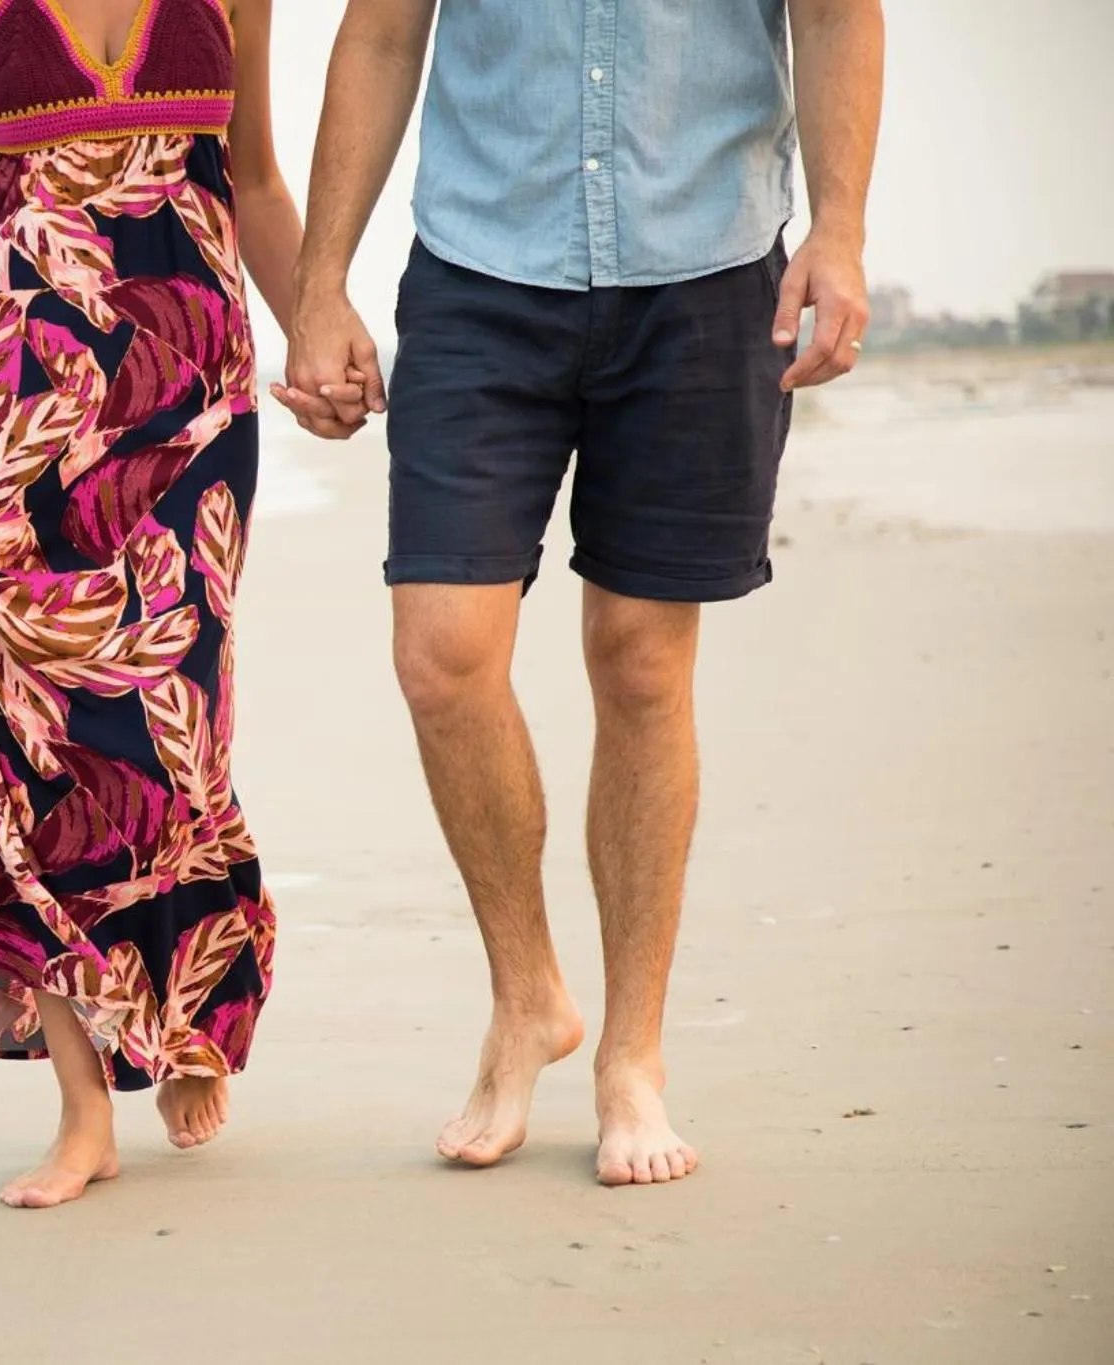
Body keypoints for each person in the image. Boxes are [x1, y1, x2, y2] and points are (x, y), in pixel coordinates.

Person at [275, 0, 883, 1185]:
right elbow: (382, 32)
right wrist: (320, 284)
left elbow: (833, 14)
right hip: (476, 265)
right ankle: (524, 1000)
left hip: (705, 270)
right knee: (440, 653)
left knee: (641, 661)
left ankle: (631, 1061)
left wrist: (841, 228)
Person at [0, 0, 338, 1210]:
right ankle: (84, 1106)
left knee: (170, 718)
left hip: (188, 401)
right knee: (40, 752)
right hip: (8, 403)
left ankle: (178, 1008)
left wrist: (317, 334)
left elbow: (259, 182)